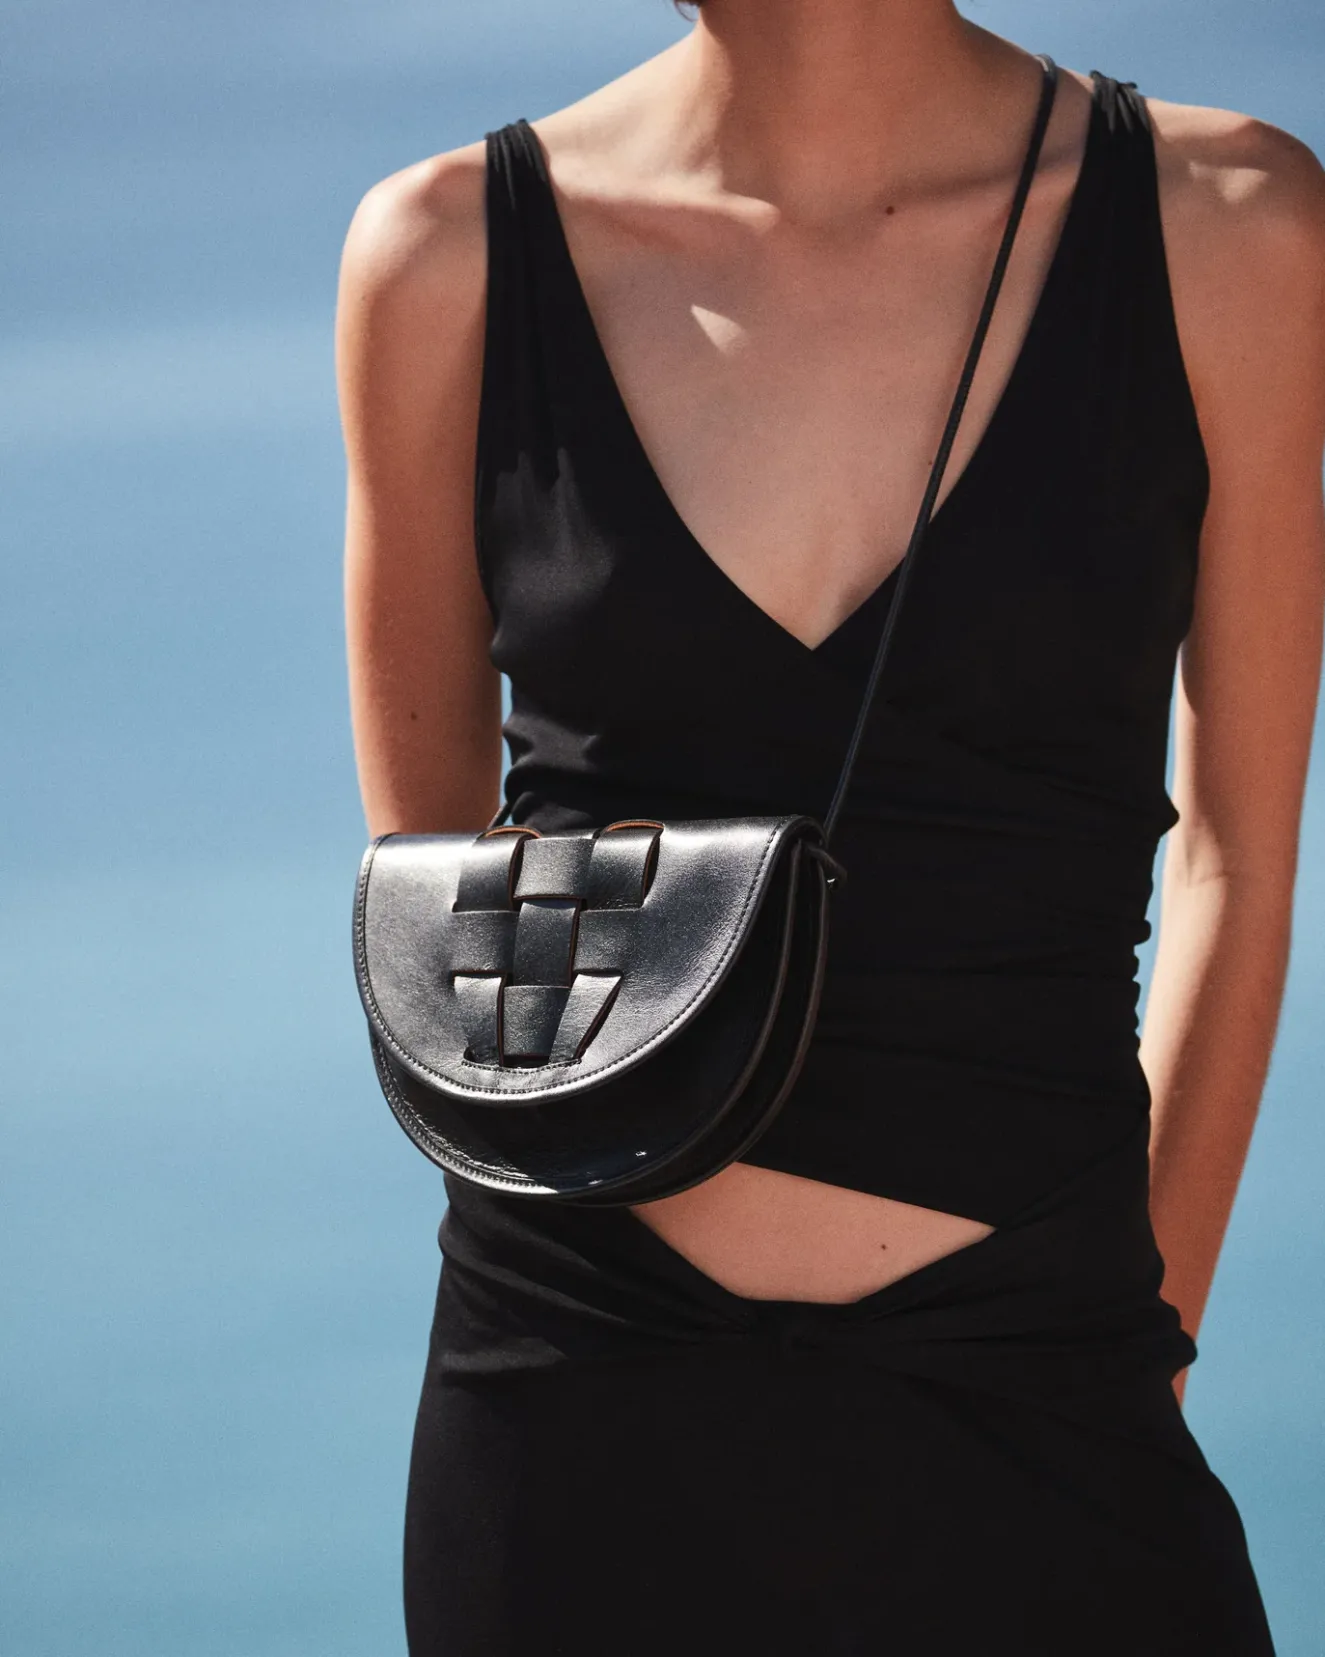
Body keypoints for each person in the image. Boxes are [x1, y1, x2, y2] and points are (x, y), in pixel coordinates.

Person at [336, 3, 1325, 1652]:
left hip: (1050, 1398)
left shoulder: (1230, 228)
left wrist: (1134, 1338)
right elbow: (452, 941)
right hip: (569, 1422)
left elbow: (1240, 857)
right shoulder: (444, 259)